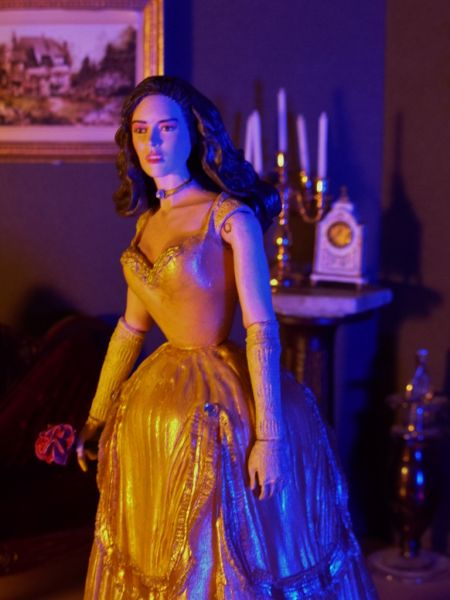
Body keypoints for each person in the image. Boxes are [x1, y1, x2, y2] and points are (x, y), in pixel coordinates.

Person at [77, 75, 377, 599]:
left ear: (194, 133)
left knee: (226, 550)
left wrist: (271, 436)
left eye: (167, 128)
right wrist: (97, 416)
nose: (152, 142)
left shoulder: (229, 216)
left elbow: (261, 326)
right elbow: (130, 328)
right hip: (155, 406)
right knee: (158, 551)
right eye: (141, 130)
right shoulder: (146, 223)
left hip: (219, 405)